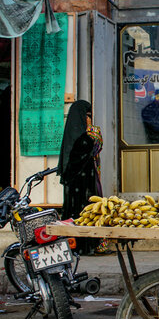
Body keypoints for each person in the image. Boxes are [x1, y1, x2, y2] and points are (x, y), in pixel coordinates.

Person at [57, 100, 108, 255]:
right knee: (82, 211)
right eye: (87, 115)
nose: (89, 119)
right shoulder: (85, 136)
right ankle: (81, 245)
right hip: (82, 182)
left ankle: (85, 244)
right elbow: (94, 144)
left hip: (85, 180)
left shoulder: (83, 134)